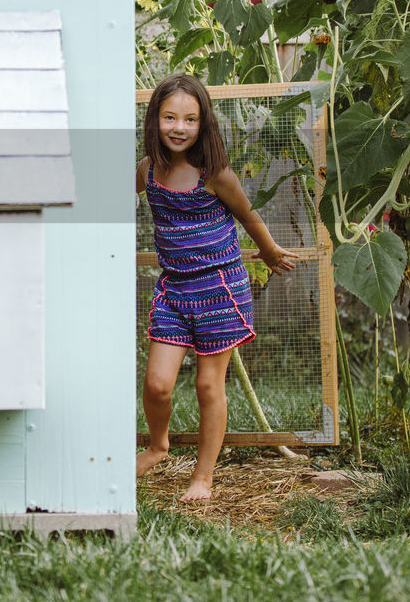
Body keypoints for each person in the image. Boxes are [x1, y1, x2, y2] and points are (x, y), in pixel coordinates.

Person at [135, 74, 298, 501]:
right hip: (175, 290)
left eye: (190, 119)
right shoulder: (148, 171)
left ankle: (203, 478)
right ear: (154, 120)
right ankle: (158, 446)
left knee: (209, 385)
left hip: (221, 289)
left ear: (203, 124)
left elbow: (247, 215)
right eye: (170, 117)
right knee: (156, 384)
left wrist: (269, 249)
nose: (179, 127)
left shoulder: (215, 173)